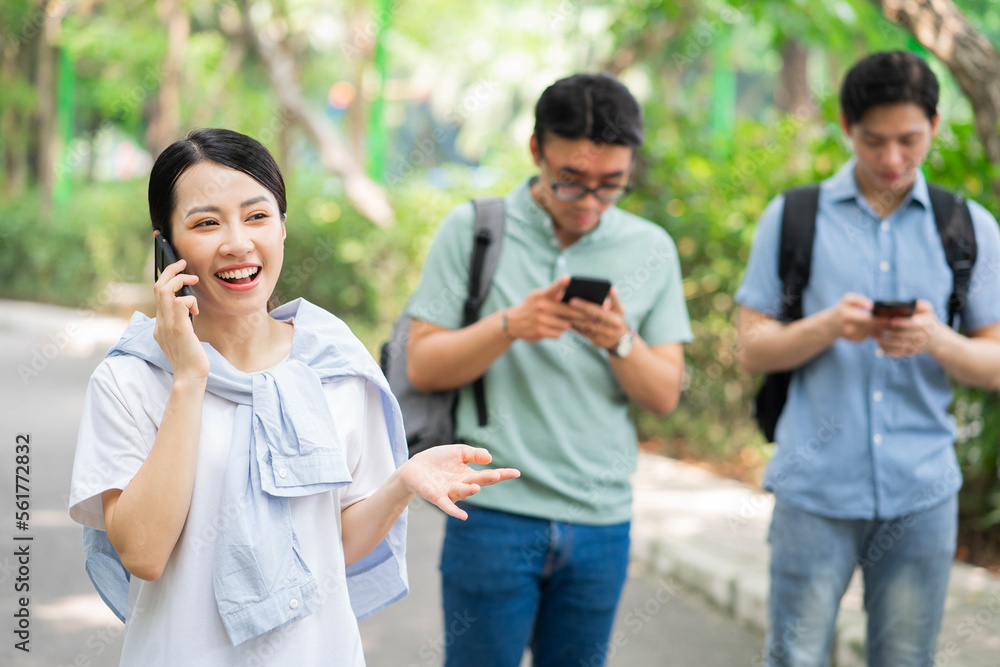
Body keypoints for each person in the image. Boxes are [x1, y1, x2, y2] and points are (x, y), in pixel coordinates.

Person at [67, 128, 519, 666]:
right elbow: (142, 552)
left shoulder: (336, 368)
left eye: (257, 216)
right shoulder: (132, 379)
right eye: (207, 223)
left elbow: (331, 549)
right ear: (166, 244)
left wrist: (400, 485)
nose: (237, 242)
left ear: (282, 229)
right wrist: (189, 378)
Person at [405, 73, 692, 667]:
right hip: (493, 515)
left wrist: (621, 342)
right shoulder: (476, 230)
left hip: (600, 521)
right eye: (571, 182)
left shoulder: (651, 248)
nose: (589, 203)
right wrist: (509, 324)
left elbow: (664, 395)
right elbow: (423, 365)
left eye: (611, 185)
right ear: (536, 151)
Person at [735, 51, 1000, 666]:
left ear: (935, 126)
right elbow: (752, 348)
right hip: (814, 489)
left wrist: (937, 339)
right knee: (795, 658)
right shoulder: (794, 217)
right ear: (845, 125)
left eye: (909, 140)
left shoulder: (968, 227)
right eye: (873, 140)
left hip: (922, 491)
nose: (891, 160)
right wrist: (826, 325)